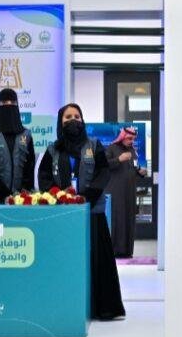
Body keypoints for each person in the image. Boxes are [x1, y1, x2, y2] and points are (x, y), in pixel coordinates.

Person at [38, 104, 125, 321]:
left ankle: (102, 308)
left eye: (77, 116)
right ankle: (65, 308)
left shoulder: (94, 145)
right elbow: (44, 177)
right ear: (60, 121)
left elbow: (103, 173)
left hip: (92, 213)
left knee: (98, 261)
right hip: (63, 216)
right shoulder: (52, 150)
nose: (73, 120)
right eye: (68, 117)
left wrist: (85, 197)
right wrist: (60, 195)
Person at [0, 88, 36, 203]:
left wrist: (22, 195)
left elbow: (29, 169)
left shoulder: (26, 134)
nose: (9, 105)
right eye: (4, 102)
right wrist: (3, 196)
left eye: (13, 102)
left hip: (20, 200)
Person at [104, 126, 147, 258]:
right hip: (116, 191)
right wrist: (119, 159)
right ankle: (115, 251)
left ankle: (127, 251)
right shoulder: (111, 148)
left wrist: (141, 172)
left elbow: (134, 167)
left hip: (129, 191)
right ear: (122, 137)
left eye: (133, 139)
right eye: (129, 138)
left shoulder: (132, 150)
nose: (131, 141)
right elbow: (104, 165)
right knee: (118, 218)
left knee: (129, 218)